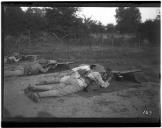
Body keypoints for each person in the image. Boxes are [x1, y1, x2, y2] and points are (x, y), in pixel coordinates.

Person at [24, 64, 111, 102]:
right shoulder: (98, 74)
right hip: (78, 84)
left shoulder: (89, 70)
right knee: (59, 92)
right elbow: (103, 85)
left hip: (72, 79)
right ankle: (37, 95)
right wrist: (107, 82)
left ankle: (34, 88)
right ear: (102, 71)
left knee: (54, 87)